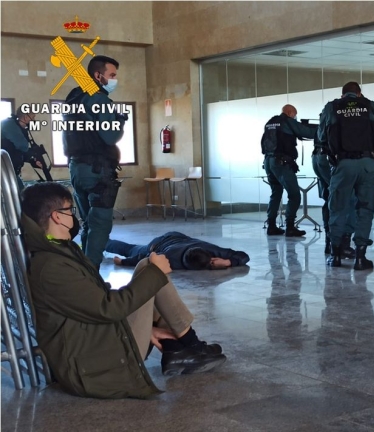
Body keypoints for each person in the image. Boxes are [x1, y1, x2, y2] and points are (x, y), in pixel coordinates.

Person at [21, 182, 226, 399]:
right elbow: (108, 309)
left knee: (148, 270)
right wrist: (155, 274)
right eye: (70, 210)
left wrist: (148, 328)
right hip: (94, 368)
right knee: (150, 270)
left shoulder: (59, 251)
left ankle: (180, 348)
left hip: (95, 345)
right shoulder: (51, 266)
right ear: (57, 217)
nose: (74, 216)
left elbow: (91, 306)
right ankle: (188, 346)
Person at [318, 81, 374, 270]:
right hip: (367, 164)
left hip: (342, 164)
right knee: (365, 209)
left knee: (338, 208)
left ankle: (335, 256)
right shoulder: (369, 105)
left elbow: (321, 136)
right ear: (359, 94)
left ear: (342, 94)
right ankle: (360, 258)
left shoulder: (332, 107)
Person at [63, 55, 127, 270]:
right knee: (100, 224)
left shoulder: (74, 97)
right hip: (97, 171)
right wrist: (120, 121)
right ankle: (90, 275)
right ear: (98, 76)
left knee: (88, 223)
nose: (115, 79)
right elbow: (110, 137)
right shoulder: (99, 100)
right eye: (112, 75)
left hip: (77, 168)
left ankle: (82, 269)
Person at [261, 104, 317, 237]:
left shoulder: (270, 122)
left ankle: (271, 226)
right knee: (294, 195)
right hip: (281, 163)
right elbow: (307, 133)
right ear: (290, 112)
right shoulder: (287, 121)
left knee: (276, 193)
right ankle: (290, 227)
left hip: (268, 161)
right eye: (294, 115)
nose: (295, 117)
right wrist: (324, 128)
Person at [312, 133, 356, 258]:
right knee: (348, 199)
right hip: (334, 158)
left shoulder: (325, 119)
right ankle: (342, 245)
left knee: (330, 199)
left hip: (318, 155)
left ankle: (330, 243)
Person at [106, 231, 250, 270]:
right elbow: (146, 257)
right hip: (158, 244)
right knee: (130, 249)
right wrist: (122, 262)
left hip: (178, 236)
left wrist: (228, 261)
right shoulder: (169, 258)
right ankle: (103, 242)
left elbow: (244, 256)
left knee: (132, 249)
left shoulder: (211, 250)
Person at [1, 105, 41, 190]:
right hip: (5, 171)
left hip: (10, 171)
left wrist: (32, 160)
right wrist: (33, 155)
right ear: (26, 117)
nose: (33, 120)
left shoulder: (15, 126)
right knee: (20, 195)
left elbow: (17, 151)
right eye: (33, 117)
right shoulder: (9, 125)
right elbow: (22, 146)